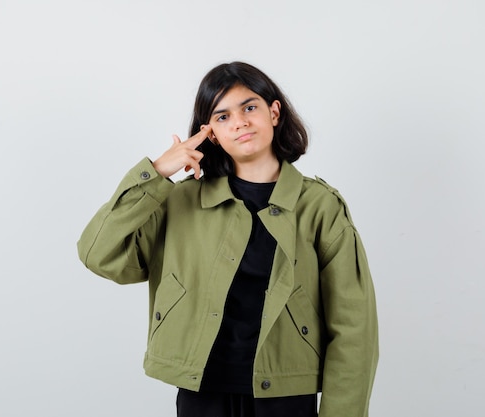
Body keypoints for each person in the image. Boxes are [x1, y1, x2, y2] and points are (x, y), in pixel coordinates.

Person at [77, 62, 378, 417]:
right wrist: (155, 173)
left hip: (286, 395)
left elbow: (355, 329)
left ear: (274, 112)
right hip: (201, 392)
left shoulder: (319, 207)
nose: (240, 122)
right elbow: (98, 253)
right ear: (211, 134)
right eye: (222, 116)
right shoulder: (179, 201)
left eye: (249, 107)